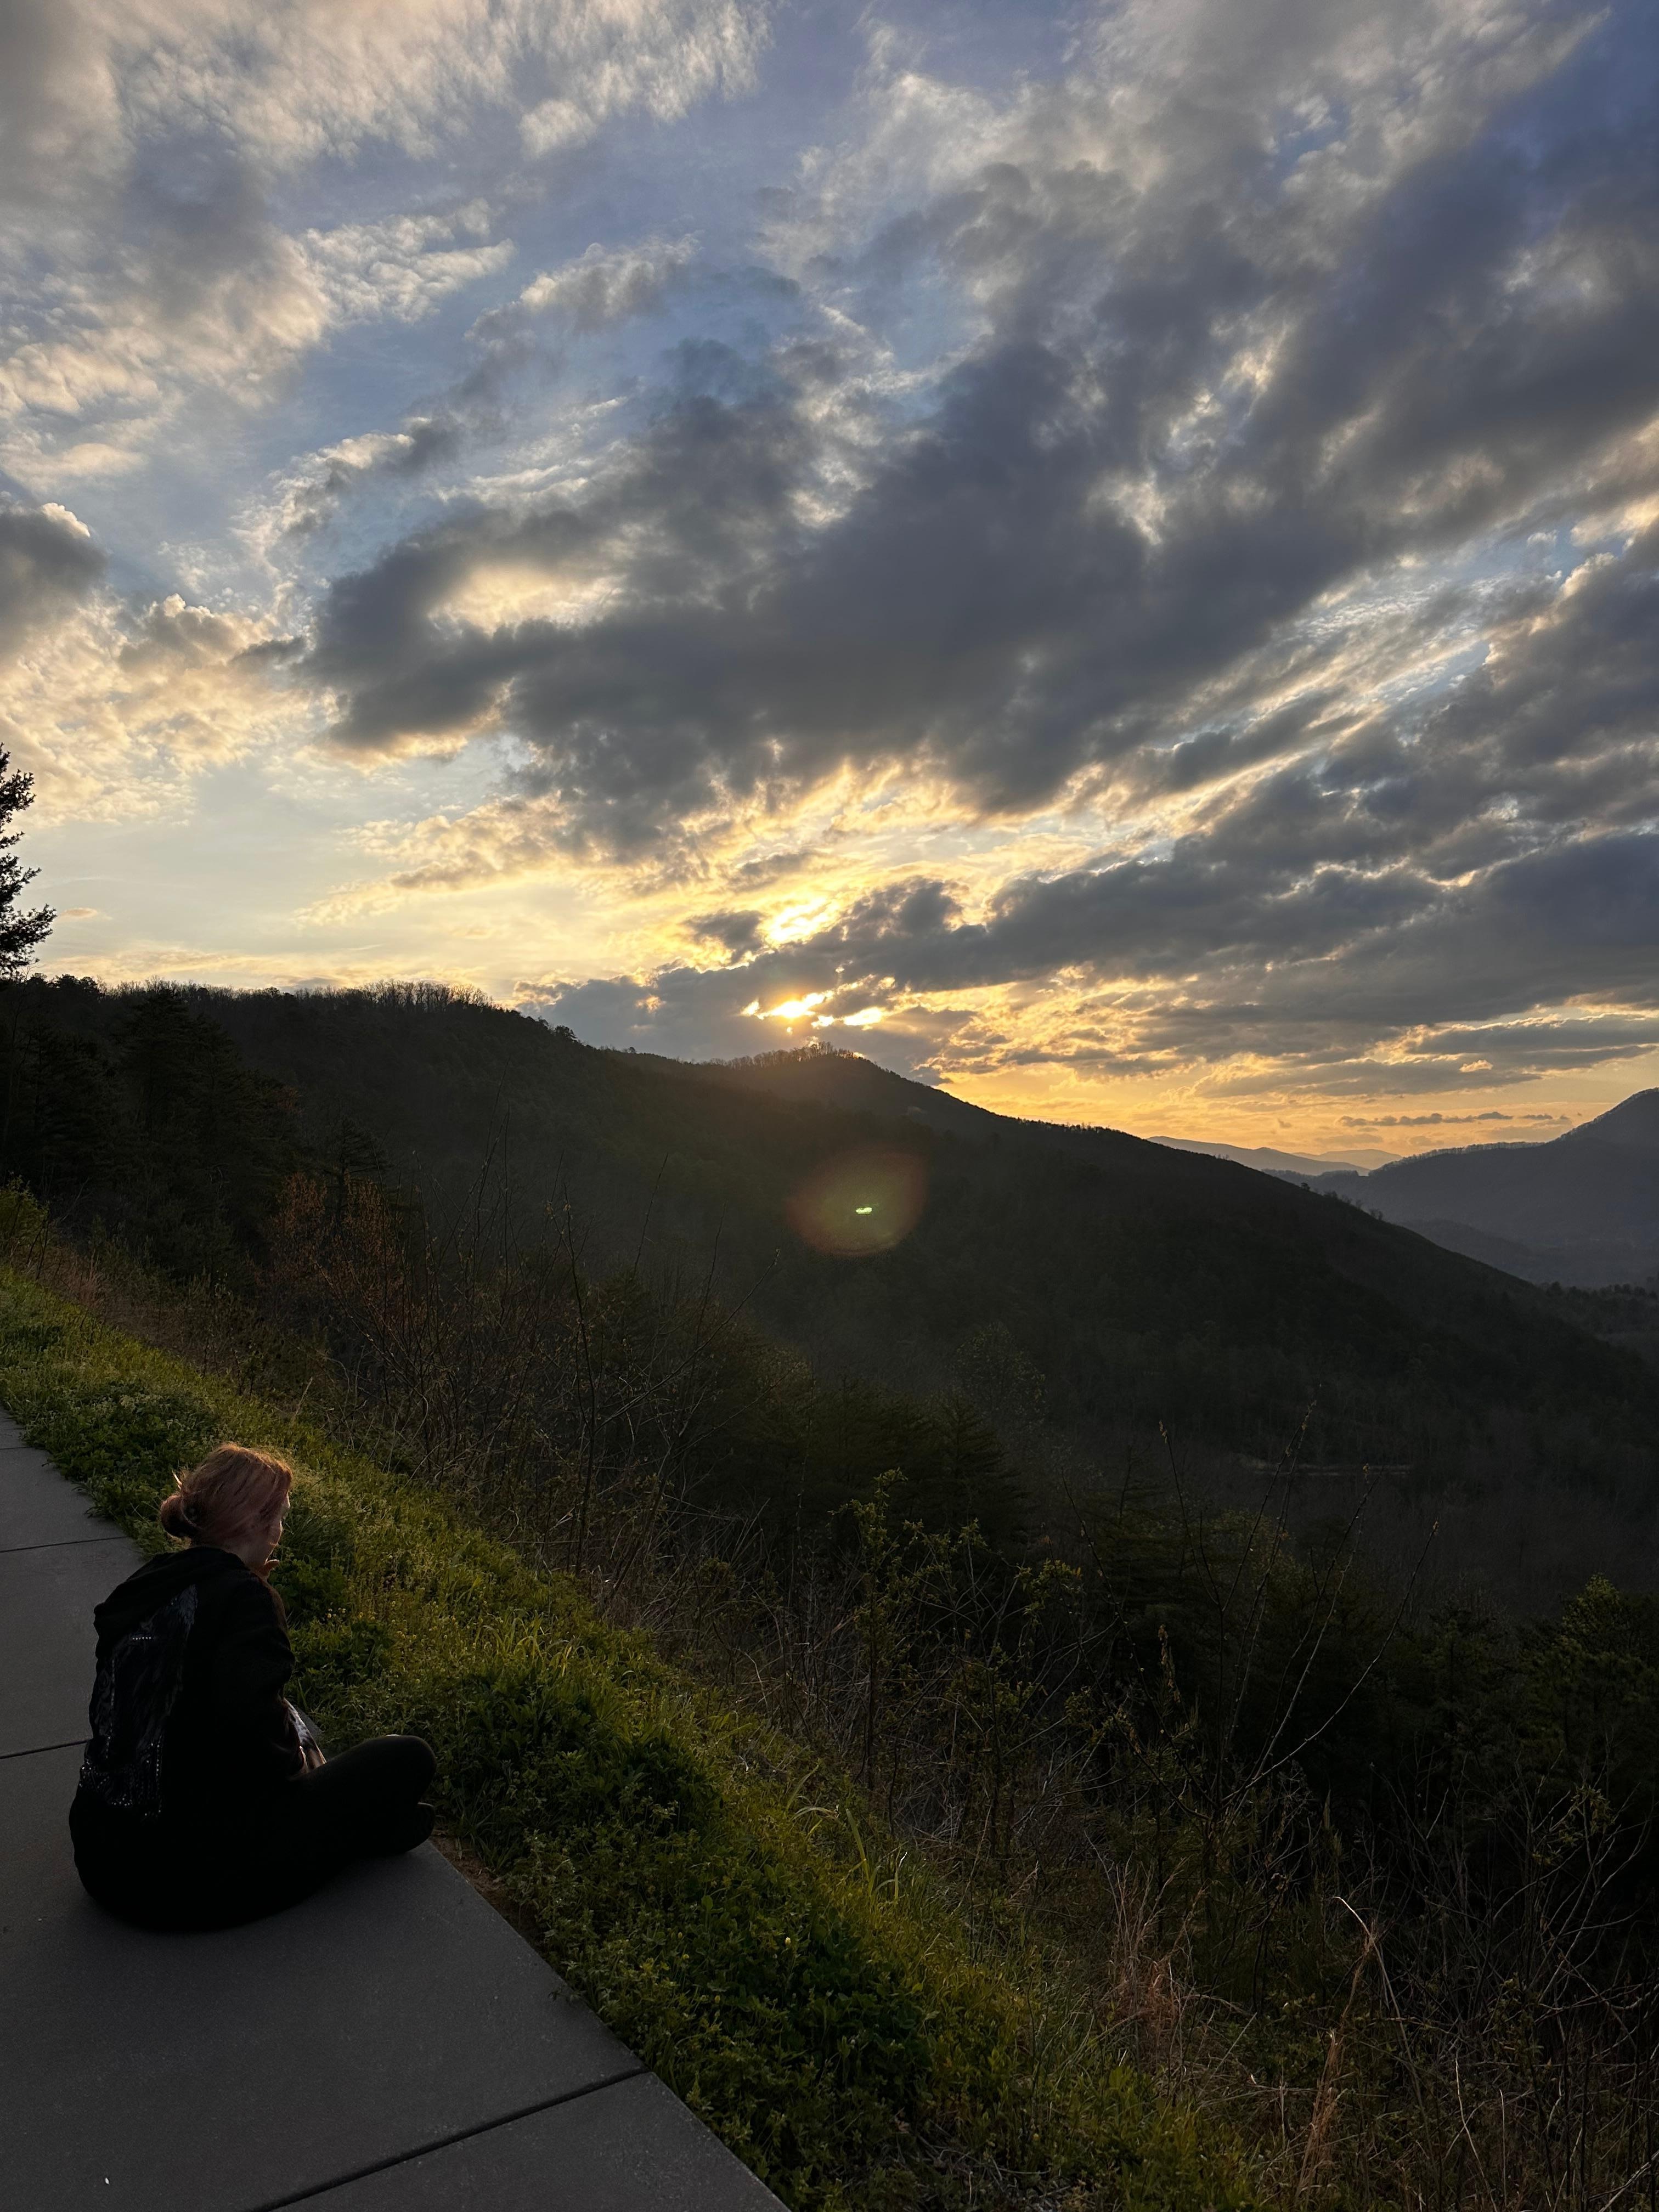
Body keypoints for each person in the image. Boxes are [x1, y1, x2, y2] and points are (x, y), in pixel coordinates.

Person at [69, 1443, 436, 1931]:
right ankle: (369, 1832)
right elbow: (267, 1753)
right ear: (254, 1524)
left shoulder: (148, 1584)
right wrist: (307, 1766)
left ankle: (374, 1829)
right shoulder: (246, 1602)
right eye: (279, 1518)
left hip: (101, 1857)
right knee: (407, 1757)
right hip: (183, 1883)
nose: (280, 1533)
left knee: (289, 1719)